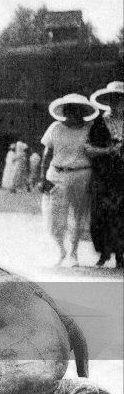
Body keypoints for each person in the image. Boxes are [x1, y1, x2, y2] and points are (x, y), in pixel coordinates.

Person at [39, 93, 100, 267]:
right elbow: (47, 153)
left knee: (77, 216)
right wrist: (42, 177)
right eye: (69, 110)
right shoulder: (55, 128)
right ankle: (61, 250)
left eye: (76, 110)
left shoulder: (90, 128)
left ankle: (73, 253)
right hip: (57, 174)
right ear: (64, 111)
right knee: (54, 217)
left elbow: (96, 153)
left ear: (82, 111)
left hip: (82, 174)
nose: (72, 114)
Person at [86, 81, 124, 267]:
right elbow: (88, 148)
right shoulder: (99, 124)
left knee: (121, 215)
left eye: (120, 99)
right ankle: (104, 253)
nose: (117, 103)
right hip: (104, 174)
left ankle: (120, 254)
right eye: (114, 99)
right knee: (102, 214)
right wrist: (108, 150)